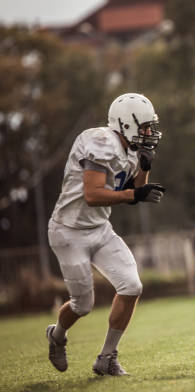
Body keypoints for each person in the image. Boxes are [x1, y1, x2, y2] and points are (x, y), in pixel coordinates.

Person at [46, 93, 166, 375]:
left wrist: (145, 171)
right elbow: (93, 194)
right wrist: (135, 193)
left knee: (132, 286)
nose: (149, 132)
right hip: (69, 231)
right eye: (145, 126)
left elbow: (134, 192)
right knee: (83, 305)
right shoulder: (101, 141)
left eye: (151, 126)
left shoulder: (133, 149)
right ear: (126, 124)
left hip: (99, 229)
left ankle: (107, 358)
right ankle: (57, 335)